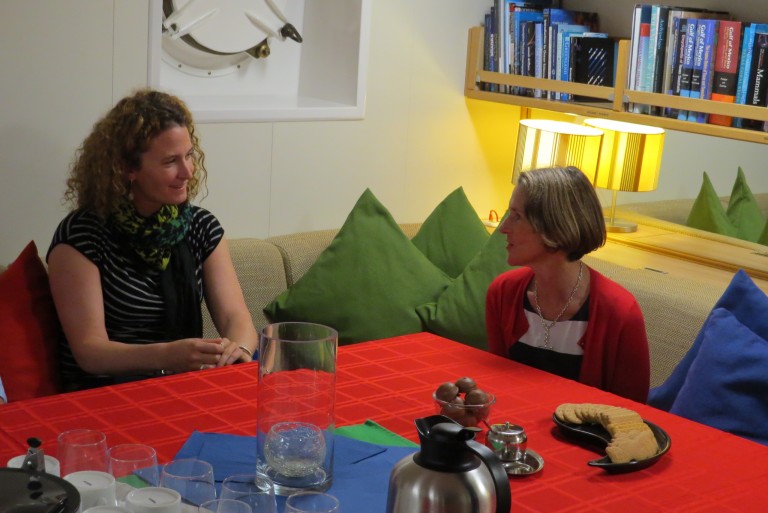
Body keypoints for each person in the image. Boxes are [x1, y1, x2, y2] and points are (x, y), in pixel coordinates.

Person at [47, 88, 258, 391]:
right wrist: (167, 355)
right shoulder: (82, 237)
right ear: (127, 168)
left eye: (189, 155)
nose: (187, 171)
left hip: (184, 384)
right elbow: (90, 353)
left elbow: (237, 317)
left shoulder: (200, 226)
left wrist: (237, 350)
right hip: (106, 394)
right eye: (170, 161)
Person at [485, 166, 650, 403]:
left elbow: (630, 414)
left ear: (554, 227)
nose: (503, 228)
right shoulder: (503, 293)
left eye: (517, 216)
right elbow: (497, 389)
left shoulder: (621, 312)